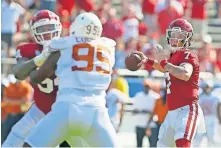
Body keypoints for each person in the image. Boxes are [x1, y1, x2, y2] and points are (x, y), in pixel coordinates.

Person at [23, 12, 117, 147]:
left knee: (30, 145)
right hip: (97, 111)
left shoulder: (65, 45)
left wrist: (31, 71)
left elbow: (38, 77)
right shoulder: (108, 47)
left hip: (67, 106)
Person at [2, 10, 83, 147]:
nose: (47, 33)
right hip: (40, 107)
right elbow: (18, 73)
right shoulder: (28, 49)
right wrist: (40, 59)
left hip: (66, 108)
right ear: (34, 32)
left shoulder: (69, 47)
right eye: (42, 29)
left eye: (50, 28)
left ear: (58, 27)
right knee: (15, 136)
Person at [134, 18, 206, 147]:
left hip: (186, 109)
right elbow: (164, 68)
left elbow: (185, 73)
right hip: (171, 112)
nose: (174, 38)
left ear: (187, 38)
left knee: (182, 144)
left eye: (178, 35)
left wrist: (165, 63)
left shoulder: (188, 55)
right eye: (172, 35)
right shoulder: (174, 57)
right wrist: (147, 61)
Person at [132, 79, 160, 147]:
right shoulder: (138, 95)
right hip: (139, 124)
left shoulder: (156, 96)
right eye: (145, 86)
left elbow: (157, 111)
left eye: (148, 86)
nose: (146, 87)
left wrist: (147, 112)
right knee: (139, 144)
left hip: (151, 125)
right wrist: (139, 111)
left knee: (153, 145)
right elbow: (134, 110)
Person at [194, 80, 221, 147]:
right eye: (206, 87)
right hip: (202, 119)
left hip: (212, 118)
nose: (207, 88)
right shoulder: (200, 96)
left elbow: (218, 107)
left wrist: (219, 118)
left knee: (212, 137)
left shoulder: (215, 96)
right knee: (198, 138)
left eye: (208, 87)